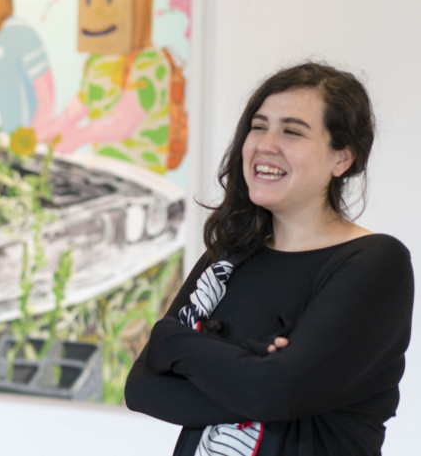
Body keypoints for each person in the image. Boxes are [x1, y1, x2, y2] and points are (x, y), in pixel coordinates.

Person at [124, 62, 414, 455]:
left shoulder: (375, 263)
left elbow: (278, 391)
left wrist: (172, 341)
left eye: (292, 131)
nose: (265, 144)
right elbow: (142, 388)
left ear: (342, 158)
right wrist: (254, 370)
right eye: (259, 126)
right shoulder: (229, 254)